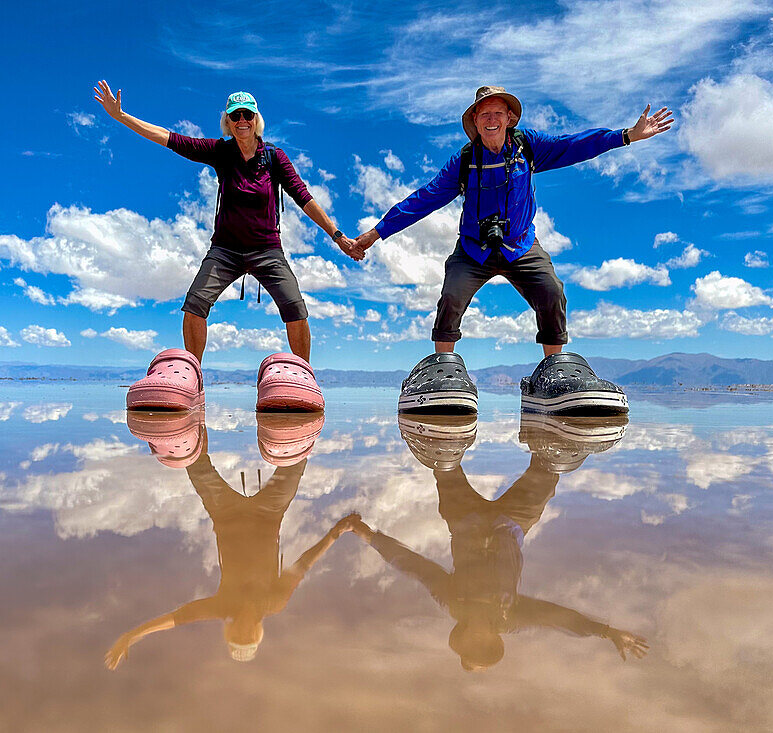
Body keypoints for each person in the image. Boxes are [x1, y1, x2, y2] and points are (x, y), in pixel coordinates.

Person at [352, 86, 673, 415]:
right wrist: (376, 233)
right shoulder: (464, 161)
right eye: (484, 114)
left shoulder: (527, 147)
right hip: (474, 248)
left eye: (498, 113)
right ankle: (442, 374)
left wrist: (626, 136)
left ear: (510, 118)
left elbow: (574, 145)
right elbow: (425, 198)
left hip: (520, 244)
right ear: (475, 121)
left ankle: (554, 376)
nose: (491, 119)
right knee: (451, 295)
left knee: (552, 291)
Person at [95, 82, 356, 410]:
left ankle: (302, 379)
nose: (242, 120)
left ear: (256, 119)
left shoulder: (274, 157)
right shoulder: (221, 152)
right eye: (235, 115)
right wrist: (121, 117)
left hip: (267, 250)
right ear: (228, 121)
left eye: (248, 114)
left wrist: (337, 235)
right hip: (226, 250)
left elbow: (304, 197)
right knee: (195, 303)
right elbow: (169, 138)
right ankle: (193, 379)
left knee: (295, 308)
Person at [343, 412, 647, 671]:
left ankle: (440, 417)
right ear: (492, 641)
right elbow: (557, 618)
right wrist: (607, 632)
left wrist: (368, 535)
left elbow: (414, 566)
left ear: (462, 638)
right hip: (512, 523)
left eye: (471, 644)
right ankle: (557, 420)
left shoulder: (454, 602)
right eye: (484, 645)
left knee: (442, 463)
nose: (478, 639)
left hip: (465, 520)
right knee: (551, 467)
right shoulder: (510, 617)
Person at [106, 416, 359, 667]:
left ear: (231, 632)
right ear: (257, 633)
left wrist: (132, 635)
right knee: (297, 459)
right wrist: (336, 532)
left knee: (192, 461)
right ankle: (297, 417)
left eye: (239, 636)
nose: (244, 630)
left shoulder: (221, 607)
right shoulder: (274, 603)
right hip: (269, 515)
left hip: (225, 514)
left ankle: (191, 416)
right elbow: (304, 565)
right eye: (248, 636)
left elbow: (176, 618)